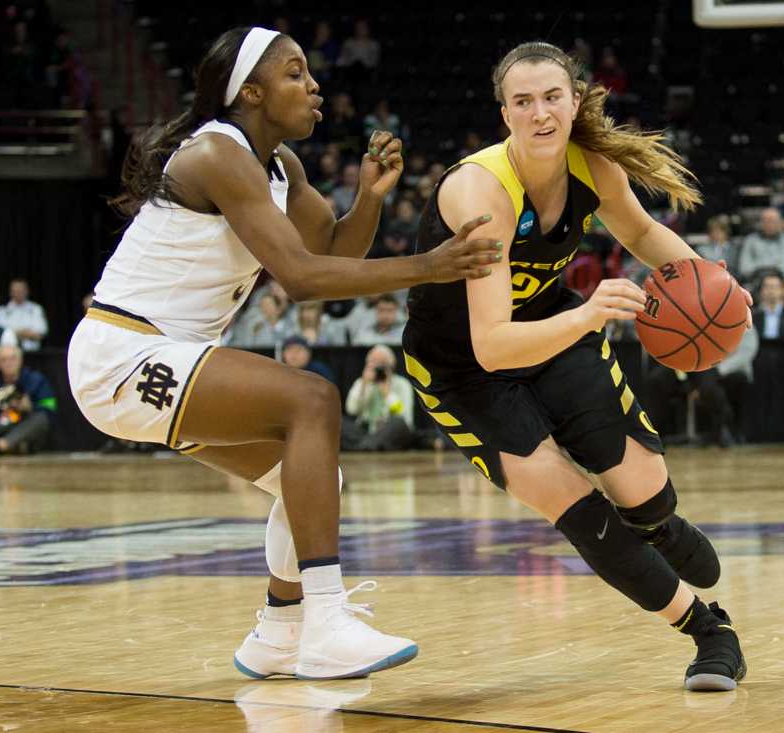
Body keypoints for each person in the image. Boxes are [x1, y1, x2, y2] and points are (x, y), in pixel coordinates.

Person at [66, 27, 499, 682]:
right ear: (251, 91)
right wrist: (430, 265)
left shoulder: (281, 169)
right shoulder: (216, 152)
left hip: (160, 359)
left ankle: (279, 628)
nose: (314, 85)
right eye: (295, 73)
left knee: (314, 477)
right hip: (123, 351)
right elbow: (300, 279)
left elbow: (330, 257)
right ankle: (326, 623)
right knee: (313, 397)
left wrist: (370, 202)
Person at [402, 41, 751, 692]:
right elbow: (492, 346)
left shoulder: (593, 164)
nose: (539, 113)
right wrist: (591, 316)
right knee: (570, 498)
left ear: (575, 100)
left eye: (552, 97)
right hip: (463, 363)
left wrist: (716, 284)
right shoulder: (481, 195)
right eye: (523, 101)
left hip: (552, 323)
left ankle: (659, 525)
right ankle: (709, 629)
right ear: (503, 112)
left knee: (643, 486)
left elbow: (644, 235)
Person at [342, 344, 414, 451]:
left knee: (398, 424)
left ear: (391, 366)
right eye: (373, 363)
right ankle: (368, 447)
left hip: (389, 431)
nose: (377, 368)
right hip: (365, 431)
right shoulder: (362, 383)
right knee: (340, 423)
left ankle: (362, 447)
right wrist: (364, 386)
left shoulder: (402, 384)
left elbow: (403, 416)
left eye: (382, 364)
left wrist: (387, 392)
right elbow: (352, 410)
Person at [0, 278, 48, 351]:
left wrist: (15, 333)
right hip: (9, 352)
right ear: (10, 292)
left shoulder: (36, 309)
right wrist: (27, 333)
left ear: (27, 291)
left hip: (33, 353)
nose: (18, 293)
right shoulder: (2, 311)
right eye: (15, 290)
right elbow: (1, 333)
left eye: (21, 290)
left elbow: (40, 334)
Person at [753, 272, 784, 340]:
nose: (771, 291)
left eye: (775, 287)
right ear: (762, 290)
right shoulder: (754, 315)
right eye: (767, 287)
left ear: (782, 290)